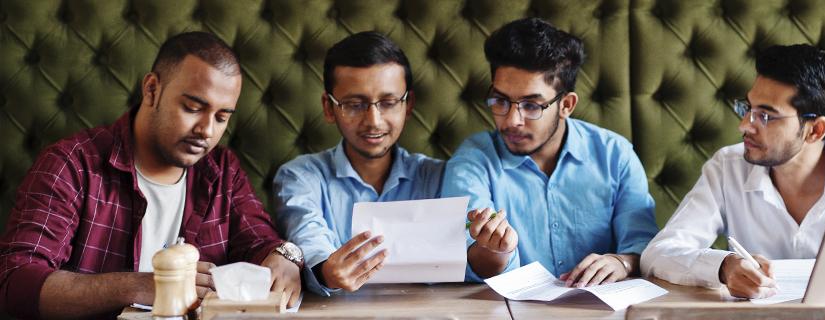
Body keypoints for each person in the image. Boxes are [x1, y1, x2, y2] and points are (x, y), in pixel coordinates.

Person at [0, 32, 302, 319]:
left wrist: (285, 256)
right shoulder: (72, 164)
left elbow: (261, 242)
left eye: (222, 117)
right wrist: (140, 285)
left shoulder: (222, 170)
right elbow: (15, 281)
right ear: (152, 90)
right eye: (192, 107)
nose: (207, 130)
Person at [640, 44, 825, 298]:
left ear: (815, 130)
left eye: (766, 116)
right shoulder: (727, 168)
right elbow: (659, 253)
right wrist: (723, 266)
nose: (745, 125)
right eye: (748, 108)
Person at [441, 17, 658, 287]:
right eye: (500, 100)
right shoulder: (472, 161)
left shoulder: (615, 155)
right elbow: (464, 257)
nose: (512, 120)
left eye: (531, 106)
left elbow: (644, 245)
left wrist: (621, 262)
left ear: (566, 105)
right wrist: (495, 251)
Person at [273, 32, 444, 295]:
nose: (374, 121)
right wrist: (328, 271)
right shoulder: (300, 177)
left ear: (408, 105)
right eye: (354, 104)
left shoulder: (439, 177)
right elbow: (308, 236)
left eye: (388, 103)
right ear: (329, 108)